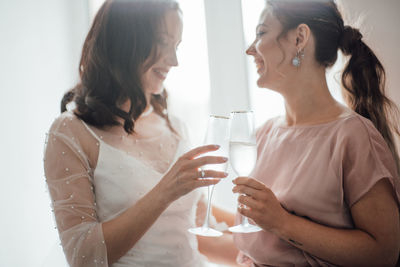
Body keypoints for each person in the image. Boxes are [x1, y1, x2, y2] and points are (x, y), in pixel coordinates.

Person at [43, 0, 239, 266]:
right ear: (124, 40)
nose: (174, 61)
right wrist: (164, 192)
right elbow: (82, 255)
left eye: (177, 46)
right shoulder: (71, 133)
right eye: (162, 42)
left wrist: (271, 232)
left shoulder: (176, 126)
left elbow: (196, 221)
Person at [232, 0, 400, 266]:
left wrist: (283, 223)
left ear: (300, 38)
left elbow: (384, 254)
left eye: (262, 33)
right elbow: (255, 248)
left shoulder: (352, 136)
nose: (250, 49)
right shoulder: (263, 134)